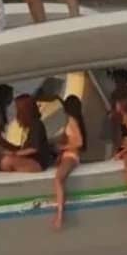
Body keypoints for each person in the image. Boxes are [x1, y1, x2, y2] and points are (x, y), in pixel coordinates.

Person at [53, 95, 86, 230]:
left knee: (58, 179)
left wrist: (62, 148)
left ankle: (60, 215)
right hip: (68, 155)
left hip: (71, 156)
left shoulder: (73, 121)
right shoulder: (73, 120)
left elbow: (79, 142)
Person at [0, 94, 53, 173]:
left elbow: (34, 148)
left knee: (6, 161)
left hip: (38, 163)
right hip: (30, 159)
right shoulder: (31, 124)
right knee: (2, 157)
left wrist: (15, 153)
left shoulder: (37, 125)